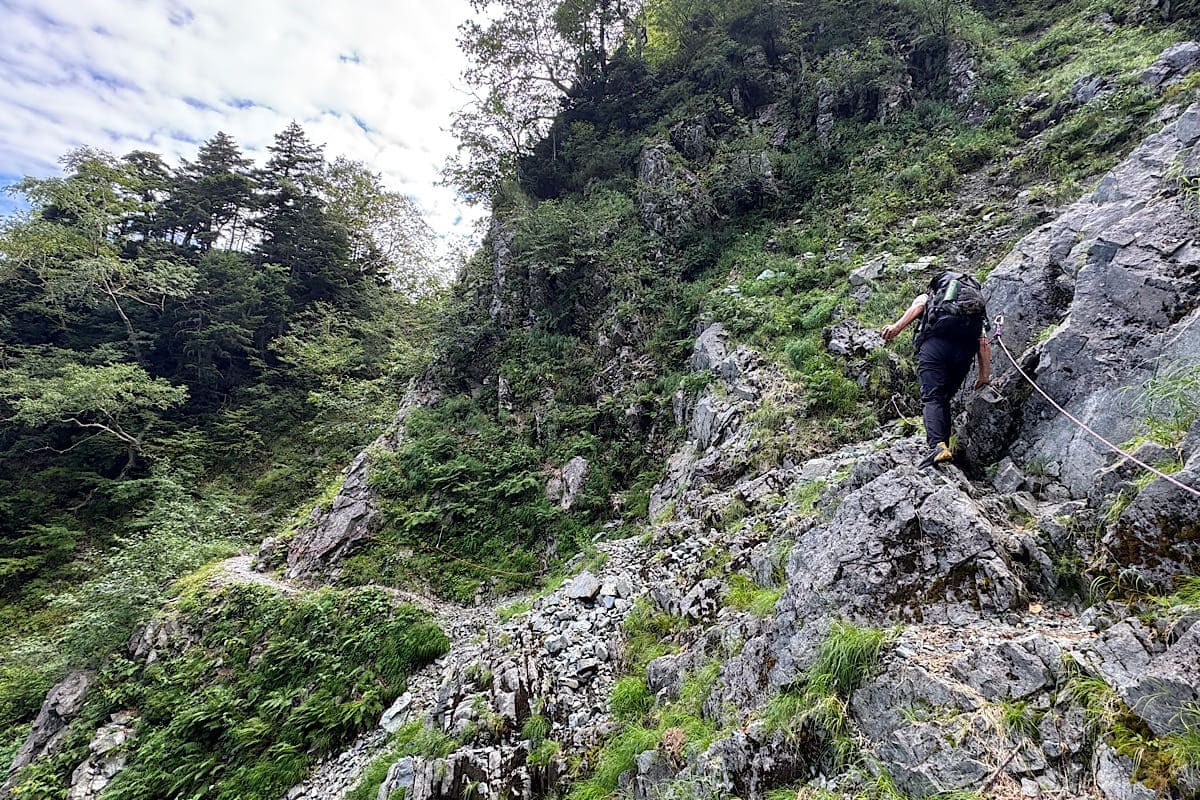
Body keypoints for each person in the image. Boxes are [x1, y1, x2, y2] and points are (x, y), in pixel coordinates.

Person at [882, 271, 991, 467]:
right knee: (944, 399)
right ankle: (944, 448)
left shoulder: (931, 297)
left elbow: (918, 307)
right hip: (964, 352)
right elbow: (983, 342)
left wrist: (896, 328)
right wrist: (984, 376)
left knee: (932, 397)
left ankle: (937, 447)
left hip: (935, 346)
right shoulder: (972, 308)